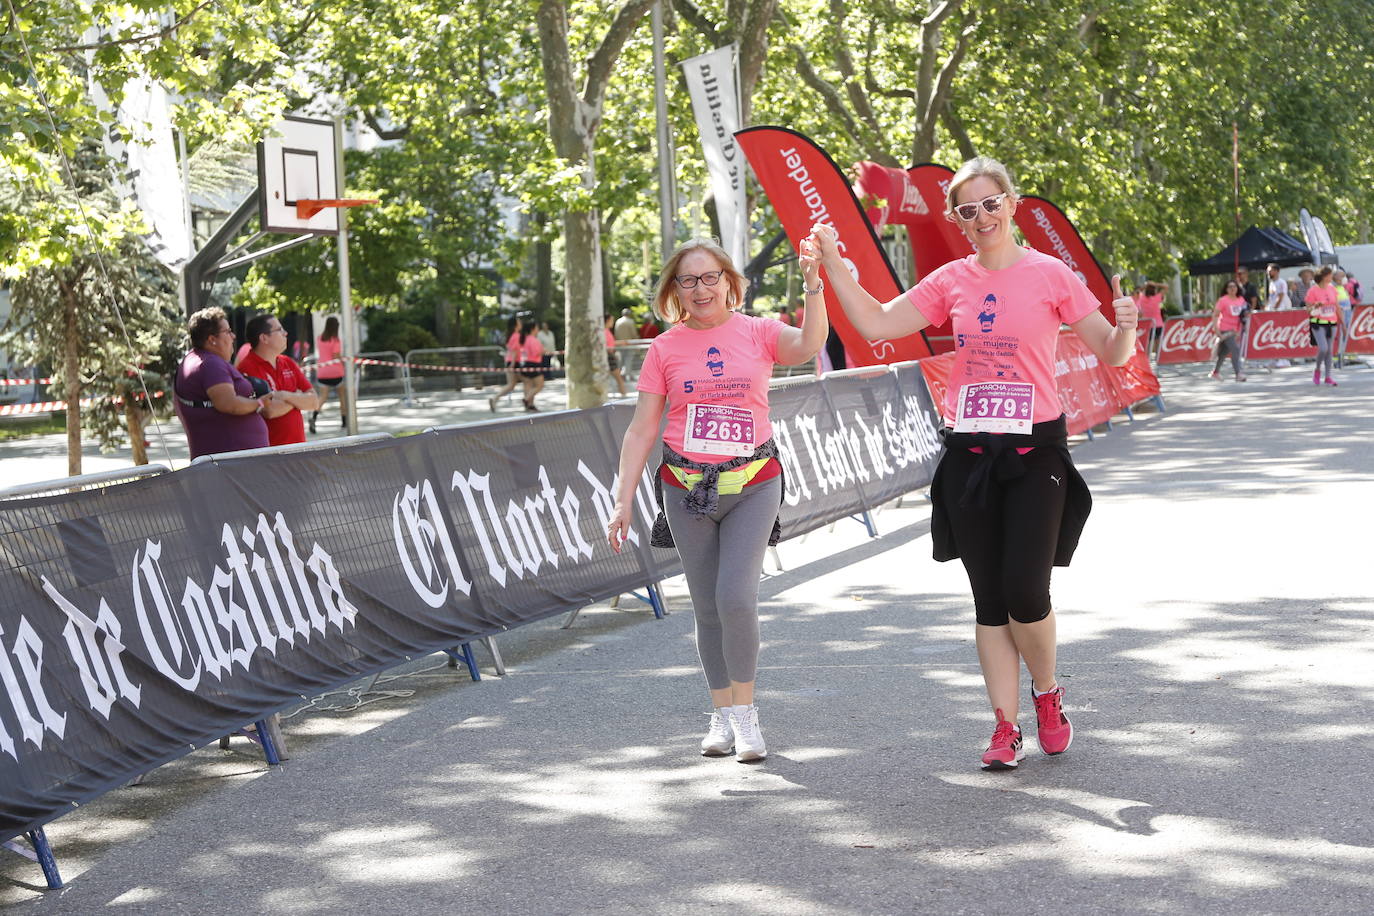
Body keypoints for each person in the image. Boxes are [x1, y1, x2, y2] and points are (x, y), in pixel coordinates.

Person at [811, 156, 1137, 771]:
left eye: (991, 204)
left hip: (1036, 449)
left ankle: (1048, 695)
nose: (982, 217)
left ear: (1011, 203)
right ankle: (1004, 727)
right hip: (969, 453)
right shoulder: (951, 280)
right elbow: (877, 322)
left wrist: (1126, 328)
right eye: (968, 210)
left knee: (1024, 588)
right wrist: (831, 264)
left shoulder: (1051, 276)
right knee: (989, 597)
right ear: (958, 220)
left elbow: (1112, 353)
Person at [606, 237, 828, 763]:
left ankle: (748, 717)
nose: (701, 289)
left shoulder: (758, 332)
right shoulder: (664, 348)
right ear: (675, 290)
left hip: (754, 482)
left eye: (710, 278)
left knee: (736, 599)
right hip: (686, 489)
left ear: (730, 282)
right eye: (689, 280)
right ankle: (722, 713)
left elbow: (808, 344)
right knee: (706, 608)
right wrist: (622, 499)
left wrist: (813, 285)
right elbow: (642, 430)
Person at [174, 307, 289, 459]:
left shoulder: (197, 360)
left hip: (230, 460)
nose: (233, 336)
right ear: (212, 339)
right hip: (233, 463)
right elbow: (228, 404)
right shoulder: (210, 364)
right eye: (228, 332)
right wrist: (259, 403)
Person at [238, 314, 320, 445]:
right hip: (270, 453)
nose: (285, 333)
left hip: (298, 448)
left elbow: (315, 402)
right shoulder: (247, 368)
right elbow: (269, 411)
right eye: (279, 330)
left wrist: (285, 396)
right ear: (264, 338)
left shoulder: (287, 362)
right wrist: (298, 400)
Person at [1305, 267, 1343, 386]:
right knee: (1323, 348)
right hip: (1318, 323)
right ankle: (1317, 370)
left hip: (1332, 323)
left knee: (1329, 351)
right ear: (1323, 276)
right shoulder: (1313, 291)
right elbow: (1308, 310)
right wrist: (1315, 306)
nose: (1332, 277)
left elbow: (1336, 306)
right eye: (1330, 275)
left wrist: (1343, 324)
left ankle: (1328, 376)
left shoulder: (1332, 289)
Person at [1207, 280, 1248, 382]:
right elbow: (1215, 315)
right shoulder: (1223, 300)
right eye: (1230, 287)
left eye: (1234, 286)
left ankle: (1215, 372)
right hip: (1225, 329)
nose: (1232, 288)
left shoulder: (1241, 299)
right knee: (1235, 350)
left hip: (1235, 330)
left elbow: (1243, 314)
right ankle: (1238, 373)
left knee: (1223, 352)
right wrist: (1216, 329)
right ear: (1226, 289)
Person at [311, 316, 347, 433]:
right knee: (342, 397)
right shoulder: (335, 340)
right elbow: (336, 355)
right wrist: (344, 361)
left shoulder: (319, 338)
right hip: (336, 372)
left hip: (322, 372)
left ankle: (314, 417)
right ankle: (344, 422)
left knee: (322, 397)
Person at [489, 315, 531, 410]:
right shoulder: (516, 336)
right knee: (527, 381)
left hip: (510, 362)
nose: (521, 324)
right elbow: (515, 351)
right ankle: (527, 403)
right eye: (519, 322)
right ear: (515, 325)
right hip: (514, 362)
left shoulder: (511, 336)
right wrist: (512, 364)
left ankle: (495, 399)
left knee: (511, 385)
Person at [1134, 282, 1165, 355]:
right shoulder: (1157, 298)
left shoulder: (1142, 298)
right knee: (1158, 342)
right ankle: (1158, 358)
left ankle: (1147, 358)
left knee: (1148, 343)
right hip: (1159, 324)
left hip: (1148, 324)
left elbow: (1136, 292)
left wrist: (1146, 286)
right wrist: (1156, 284)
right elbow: (1166, 287)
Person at [520, 321, 545, 411]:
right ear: (533, 329)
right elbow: (536, 353)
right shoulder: (533, 340)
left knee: (529, 384)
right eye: (537, 327)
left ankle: (530, 405)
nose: (538, 329)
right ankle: (526, 399)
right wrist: (543, 351)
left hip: (525, 364)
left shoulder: (525, 339)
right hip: (534, 364)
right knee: (540, 385)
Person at [1333, 269, 1354, 367]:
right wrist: (1342, 322)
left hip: (1347, 317)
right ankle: (1338, 359)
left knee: (1346, 337)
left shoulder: (1343, 288)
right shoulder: (1334, 289)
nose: (1344, 278)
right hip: (1340, 318)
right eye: (1342, 276)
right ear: (1336, 278)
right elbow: (1337, 307)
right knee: (1340, 337)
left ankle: (1346, 357)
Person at [604, 314, 628, 396]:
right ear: (607, 320)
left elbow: (611, 343)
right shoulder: (604, 331)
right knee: (619, 379)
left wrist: (621, 343)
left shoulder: (606, 331)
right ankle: (624, 395)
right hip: (609, 356)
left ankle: (623, 394)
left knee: (618, 379)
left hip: (610, 356)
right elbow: (606, 345)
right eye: (611, 320)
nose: (613, 322)